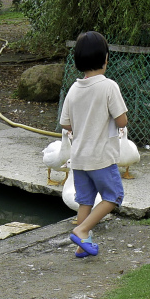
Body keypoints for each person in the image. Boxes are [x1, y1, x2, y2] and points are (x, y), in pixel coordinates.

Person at [58, 31, 128, 259]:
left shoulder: (73, 89)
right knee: (114, 196)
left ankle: (82, 245)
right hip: (101, 158)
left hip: (79, 159)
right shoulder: (109, 87)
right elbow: (122, 121)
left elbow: (65, 123)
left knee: (84, 202)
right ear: (106, 58)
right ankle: (82, 230)